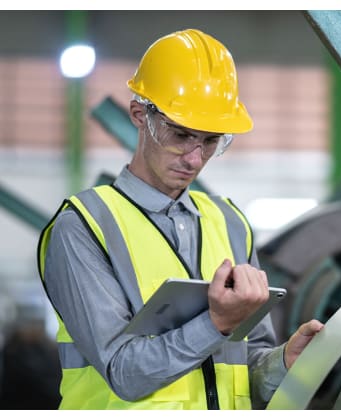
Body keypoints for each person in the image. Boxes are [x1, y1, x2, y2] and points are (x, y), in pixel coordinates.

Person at [37, 28, 323, 410]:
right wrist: (216, 323)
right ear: (140, 115)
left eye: (210, 141)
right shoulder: (84, 227)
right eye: (181, 134)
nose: (194, 158)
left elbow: (242, 372)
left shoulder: (230, 224)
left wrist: (284, 363)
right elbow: (123, 372)